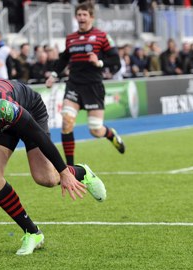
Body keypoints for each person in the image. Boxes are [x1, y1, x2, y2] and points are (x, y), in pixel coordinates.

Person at [0, 78, 106, 256]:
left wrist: (64, 172)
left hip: (28, 111)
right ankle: (33, 233)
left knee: (47, 178)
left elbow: (36, 134)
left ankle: (83, 172)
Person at [46, 2, 125, 166]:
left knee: (95, 130)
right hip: (74, 84)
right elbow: (63, 59)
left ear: (91, 17)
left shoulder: (102, 36)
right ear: (76, 17)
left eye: (84, 15)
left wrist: (100, 63)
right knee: (67, 122)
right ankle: (70, 167)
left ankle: (110, 135)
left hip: (93, 86)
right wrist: (53, 75)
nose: (81, 18)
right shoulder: (71, 38)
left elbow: (115, 60)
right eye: (79, 15)